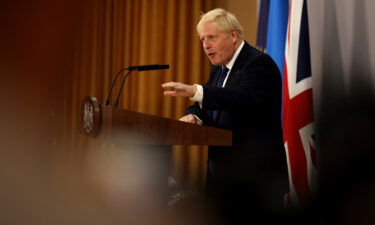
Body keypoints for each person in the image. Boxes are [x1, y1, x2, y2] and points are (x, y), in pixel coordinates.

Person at [162, 8, 289, 223]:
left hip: (256, 180)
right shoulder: (220, 69)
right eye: (203, 39)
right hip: (224, 177)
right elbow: (209, 102)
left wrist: (195, 91)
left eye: (211, 37)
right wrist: (194, 116)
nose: (205, 45)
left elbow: (243, 97)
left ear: (233, 35)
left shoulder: (259, 63)